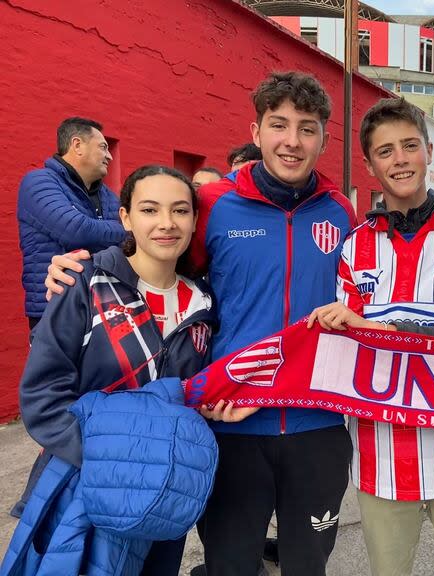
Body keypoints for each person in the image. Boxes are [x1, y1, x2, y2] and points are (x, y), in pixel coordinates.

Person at [47, 72, 355, 575]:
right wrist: (83, 268)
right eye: (279, 125)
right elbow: (152, 253)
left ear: (324, 138)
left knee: (307, 566)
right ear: (256, 133)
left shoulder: (342, 212)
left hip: (317, 423)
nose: (293, 141)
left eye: (308, 128)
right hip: (229, 419)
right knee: (229, 565)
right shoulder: (215, 203)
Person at [308, 97, 434, 576]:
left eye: (409, 146)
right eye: (385, 151)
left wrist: (381, 328)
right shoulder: (354, 245)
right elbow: (352, 347)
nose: (400, 160)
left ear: (429, 151)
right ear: (371, 164)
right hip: (380, 455)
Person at [20, 165, 215, 575]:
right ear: (125, 217)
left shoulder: (205, 304)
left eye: (180, 211)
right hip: (86, 485)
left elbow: (195, 395)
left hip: (166, 494)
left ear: (194, 220)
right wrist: (107, 459)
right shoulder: (85, 284)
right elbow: (42, 395)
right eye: (149, 209)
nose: (166, 223)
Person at [17, 117, 124, 334]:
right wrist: (127, 231)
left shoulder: (108, 196)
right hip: (54, 308)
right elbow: (76, 231)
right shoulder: (39, 182)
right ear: (77, 145)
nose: (110, 156)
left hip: (105, 307)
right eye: (103, 147)